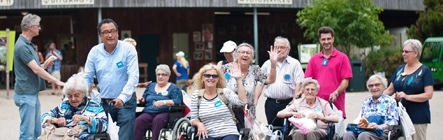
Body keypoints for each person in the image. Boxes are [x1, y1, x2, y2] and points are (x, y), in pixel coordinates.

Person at [83, 18, 139, 140]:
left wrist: (122, 97)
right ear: (100, 35)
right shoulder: (94, 52)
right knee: (103, 136)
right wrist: (83, 93)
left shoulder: (128, 49)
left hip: (125, 102)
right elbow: (87, 76)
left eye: (113, 31)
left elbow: (133, 77)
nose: (110, 35)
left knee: (124, 137)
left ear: (118, 33)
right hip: (103, 102)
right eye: (106, 32)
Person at [13, 13, 64, 140]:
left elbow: (34, 68)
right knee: (27, 134)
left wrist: (44, 65)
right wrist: (56, 81)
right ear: (31, 27)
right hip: (26, 94)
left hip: (32, 93)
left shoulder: (28, 45)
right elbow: (35, 70)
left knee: (36, 132)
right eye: (37, 26)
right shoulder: (23, 46)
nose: (39, 28)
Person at [384, 39, 434, 140]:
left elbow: (429, 94)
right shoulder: (399, 69)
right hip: (398, 116)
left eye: (406, 51)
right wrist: (377, 98)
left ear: (415, 53)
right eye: (402, 51)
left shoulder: (425, 71)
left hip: (417, 117)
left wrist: (407, 96)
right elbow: (390, 89)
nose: (403, 54)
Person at [221, 42, 277, 130]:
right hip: (228, 113)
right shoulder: (225, 69)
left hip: (248, 113)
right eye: (242, 52)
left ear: (252, 57)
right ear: (236, 55)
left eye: (248, 53)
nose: (245, 55)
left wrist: (273, 64)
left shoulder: (255, 70)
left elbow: (270, 80)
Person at [304, 26, 353, 119]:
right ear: (320, 40)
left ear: (333, 39)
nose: (326, 42)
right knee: (317, 130)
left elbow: (345, 81)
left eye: (329, 39)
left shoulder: (342, 58)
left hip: (336, 103)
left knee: (336, 132)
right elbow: (308, 81)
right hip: (317, 104)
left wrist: (336, 92)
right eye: (323, 39)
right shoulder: (314, 59)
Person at [41, 74, 108, 140]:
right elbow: (44, 117)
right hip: (62, 136)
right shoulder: (64, 105)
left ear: (83, 94)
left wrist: (85, 118)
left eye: (76, 95)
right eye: (70, 96)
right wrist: (55, 120)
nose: (73, 99)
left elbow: (104, 126)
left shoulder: (94, 105)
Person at [190, 63, 247, 140]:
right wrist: (199, 124)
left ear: (218, 79)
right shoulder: (197, 95)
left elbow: (242, 102)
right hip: (207, 134)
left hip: (229, 133)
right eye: (207, 75)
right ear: (202, 78)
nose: (211, 78)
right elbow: (193, 118)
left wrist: (239, 80)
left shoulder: (225, 92)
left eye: (214, 76)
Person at [259, 36, 304, 126]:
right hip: (271, 103)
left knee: (287, 131)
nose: (279, 50)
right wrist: (255, 100)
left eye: (282, 47)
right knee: (272, 130)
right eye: (277, 47)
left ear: (288, 50)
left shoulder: (295, 63)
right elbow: (260, 83)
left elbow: (299, 83)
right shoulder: (267, 64)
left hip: (288, 103)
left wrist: (295, 100)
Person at [134, 64, 182, 140]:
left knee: (158, 120)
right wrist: (142, 100)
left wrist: (163, 102)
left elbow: (177, 101)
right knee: (139, 120)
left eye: (163, 74)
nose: (160, 76)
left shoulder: (173, 87)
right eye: (158, 74)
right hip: (149, 111)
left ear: (168, 76)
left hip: (165, 112)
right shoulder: (151, 86)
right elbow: (145, 98)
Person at [343, 74, 398, 140]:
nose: (374, 88)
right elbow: (362, 118)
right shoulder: (366, 101)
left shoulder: (390, 101)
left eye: (377, 85)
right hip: (366, 130)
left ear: (384, 86)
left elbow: (393, 122)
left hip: (382, 132)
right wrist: (362, 124)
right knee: (348, 134)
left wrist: (378, 126)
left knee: (363, 135)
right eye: (371, 86)